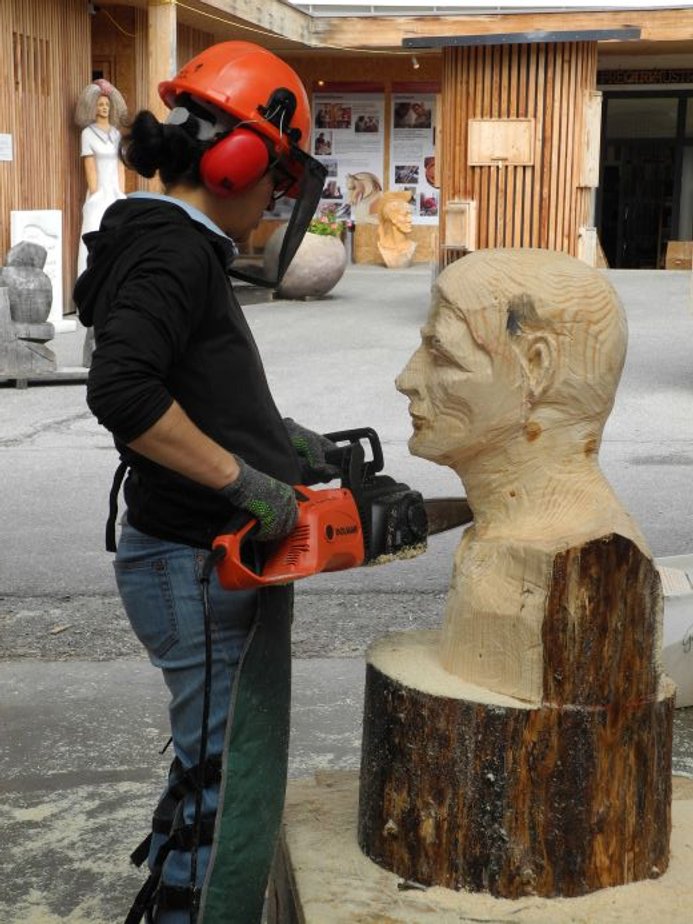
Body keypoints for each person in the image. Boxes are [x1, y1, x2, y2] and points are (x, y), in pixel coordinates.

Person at [73, 41, 334, 924]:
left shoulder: (169, 243)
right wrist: (246, 483)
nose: (276, 200)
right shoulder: (173, 253)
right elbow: (123, 390)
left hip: (197, 553)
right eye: (279, 176)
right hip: (195, 557)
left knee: (212, 762)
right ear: (238, 159)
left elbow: (187, 379)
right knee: (225, 780)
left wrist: (276, 441)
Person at [395, 248, 648, 702]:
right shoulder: (494, 539)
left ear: (537, 367)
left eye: (441, 354)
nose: (406, 379)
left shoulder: (588, 561)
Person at [74, 79, 128, 277]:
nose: (104, 108)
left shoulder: (116, 134)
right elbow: (89, 165)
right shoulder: (87, 134)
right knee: (93, 232)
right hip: (99, 195)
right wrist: (95, 194)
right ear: (93, 108)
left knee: (117, 237)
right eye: (100, 104)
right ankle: (86, 282)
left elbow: (120, 164)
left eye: (106, 104)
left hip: (115, 193)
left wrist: (121, 193)